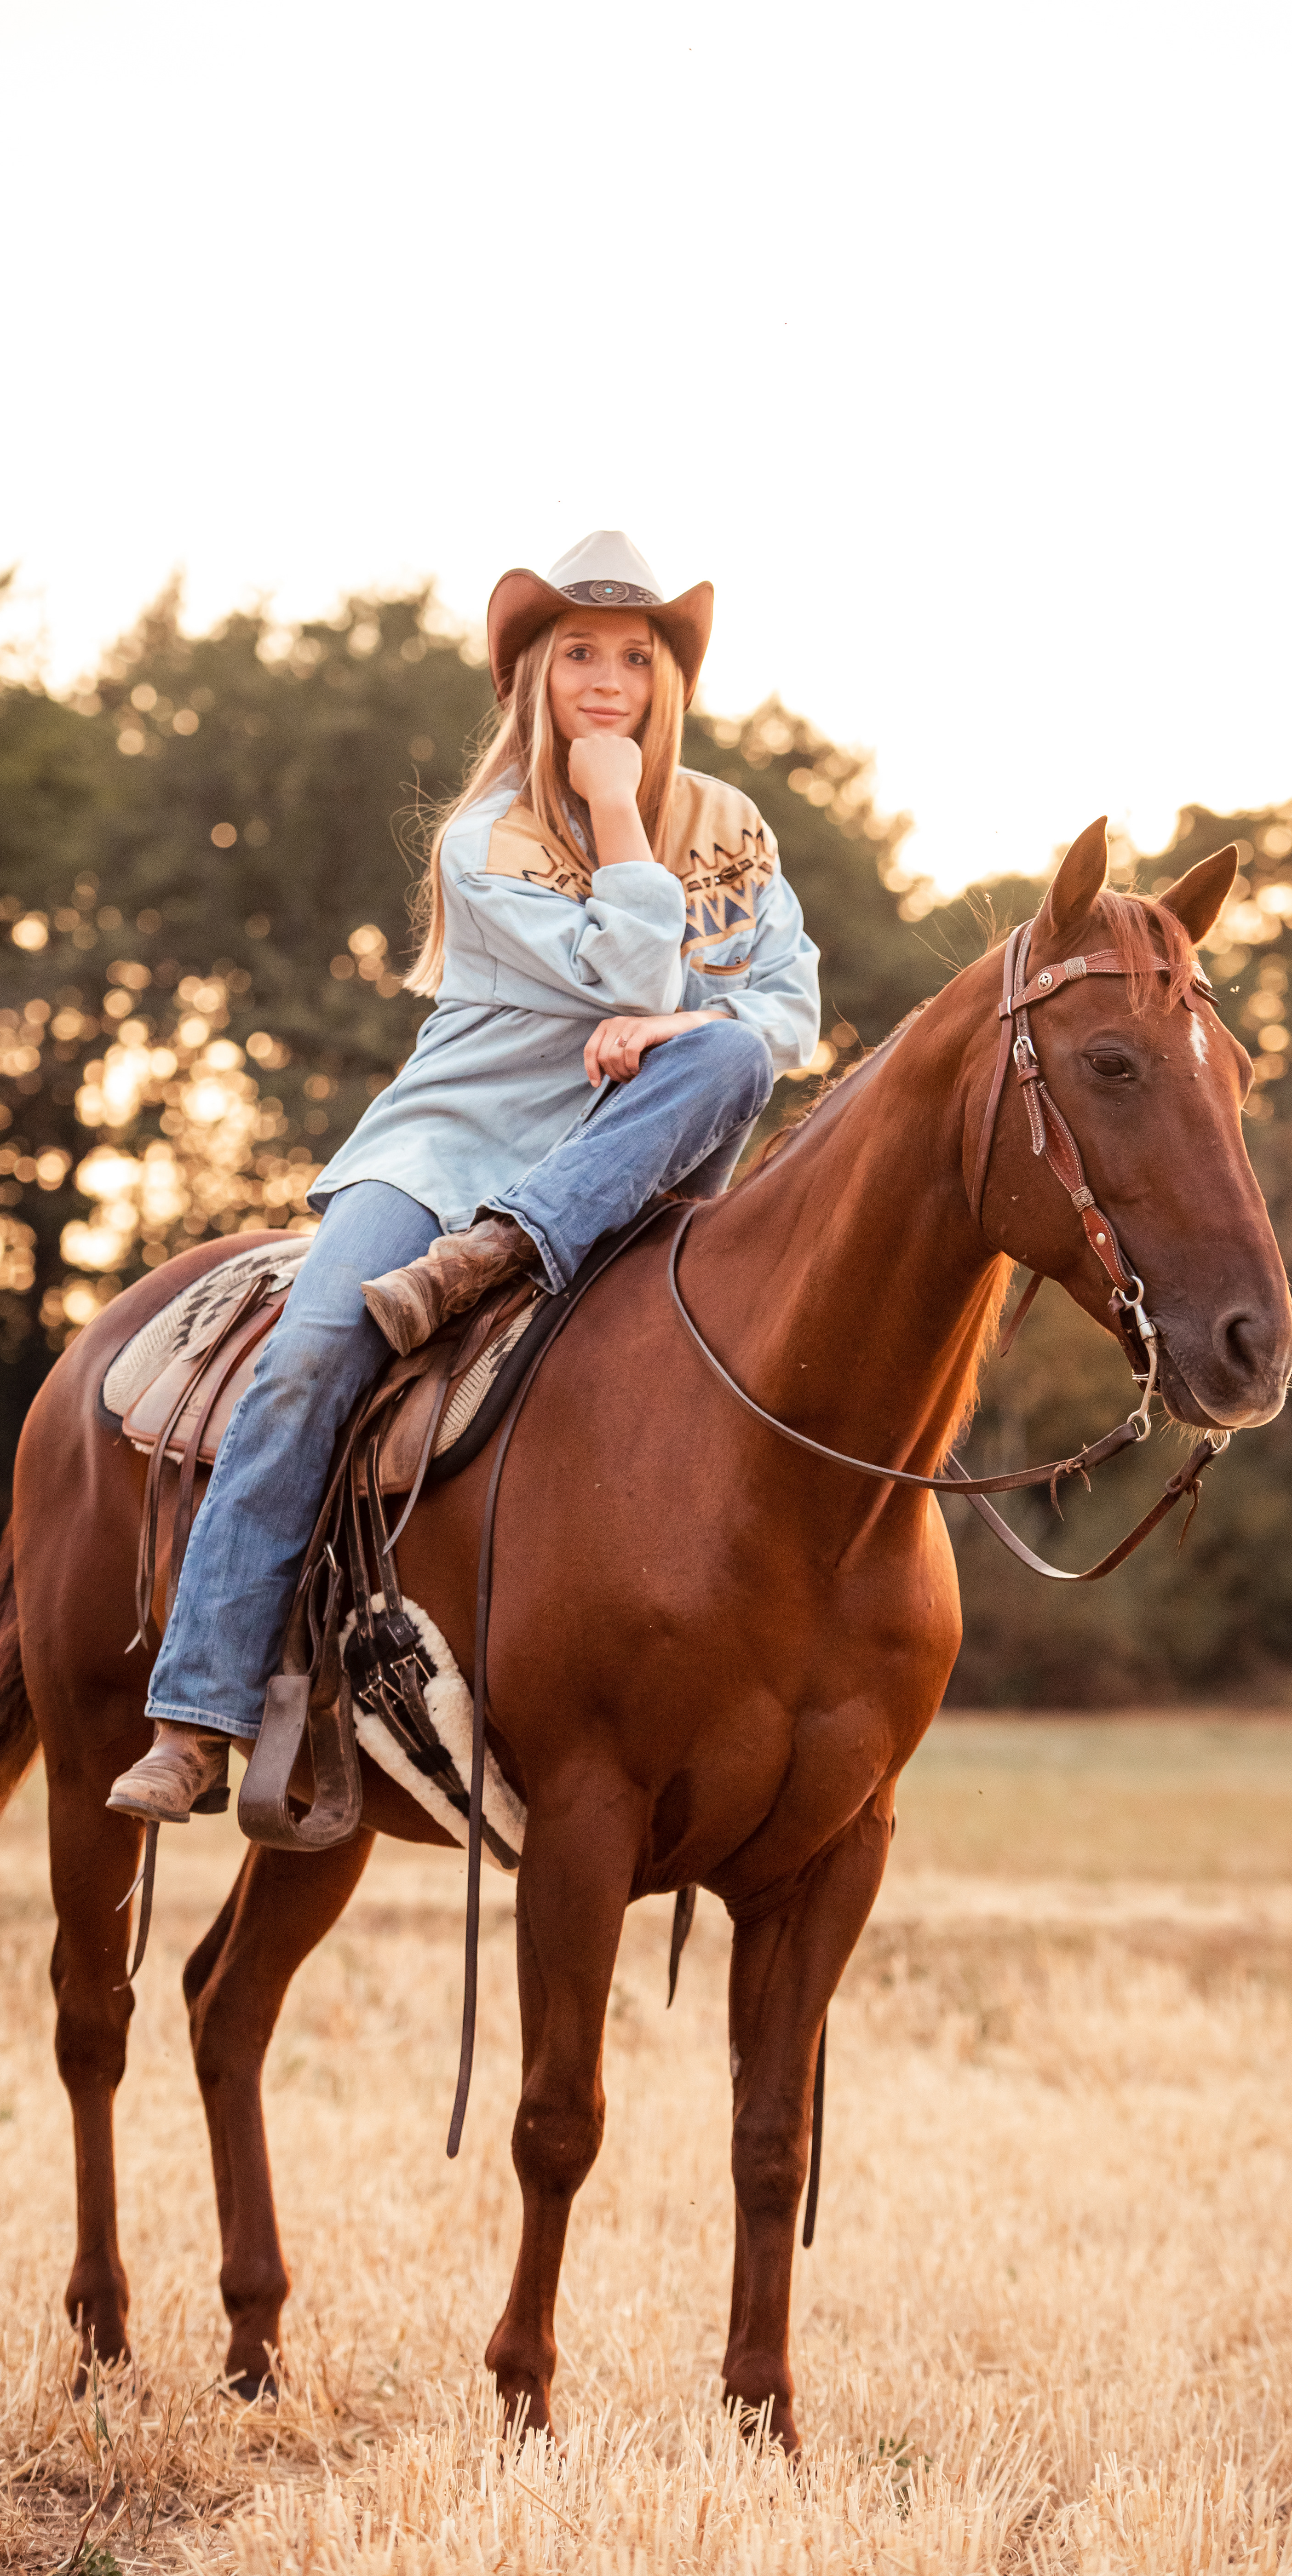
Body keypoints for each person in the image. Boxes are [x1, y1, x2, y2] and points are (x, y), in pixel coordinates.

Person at [108, 531, 822, 1822]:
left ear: (667, 681)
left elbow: (787, 1011)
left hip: (645, 1156)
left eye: (634, 658)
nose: (607, 681)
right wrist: (614, 816)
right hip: (450, 1155)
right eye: (579, 658)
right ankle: (198, 1707)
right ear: (533, 679)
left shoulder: (734, 826)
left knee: (727, 1058)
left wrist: (686, 1033)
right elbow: (625, 972)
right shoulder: (486, 837)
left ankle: (505, 1257)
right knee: (313, 1354)